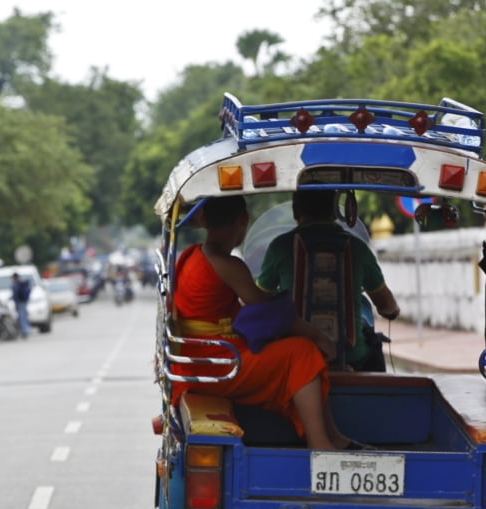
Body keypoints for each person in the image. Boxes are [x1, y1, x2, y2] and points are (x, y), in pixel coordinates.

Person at [171, 195, 363, 451]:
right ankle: (320, 443)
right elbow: (270, 312)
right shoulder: (227, 264)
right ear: (243, 219)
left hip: (197, 361)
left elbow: (227, 313)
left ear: (203, 219)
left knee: (297, 350)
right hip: (218, 364)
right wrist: (317, 336)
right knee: (302, 352)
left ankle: (333, 437)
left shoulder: (190, 256)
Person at [256, 190, 401, 371]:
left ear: (295, 212)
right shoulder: (358, 247)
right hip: (353, 358)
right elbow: (386, 305)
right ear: (335, 211)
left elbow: (258, 299)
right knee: (372, 342)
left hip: (297, 358)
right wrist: (392, 311)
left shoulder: (280, 247)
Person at [11, 272, 32, 338]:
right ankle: (26, 330)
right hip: (23, 302)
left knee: (22, 317)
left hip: (20, 302)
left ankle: (25, 331)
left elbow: (16, 294)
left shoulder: (17, 284)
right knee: (24, 316)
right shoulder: (21, 284)